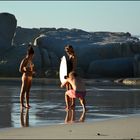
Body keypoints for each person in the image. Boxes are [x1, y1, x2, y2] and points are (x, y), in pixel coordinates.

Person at [19, 44, 35, 108]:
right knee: (23, 90)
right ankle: (22, 104)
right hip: (25, 76)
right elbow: (20, 69)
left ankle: (27, 104)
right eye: (32, 55)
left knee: (28, 91)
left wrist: (32, 72)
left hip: (30, 77)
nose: (32, 56)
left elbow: (31, 69)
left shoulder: (31, 61)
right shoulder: (24, 60)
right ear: (29, 54)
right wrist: (27, 71)